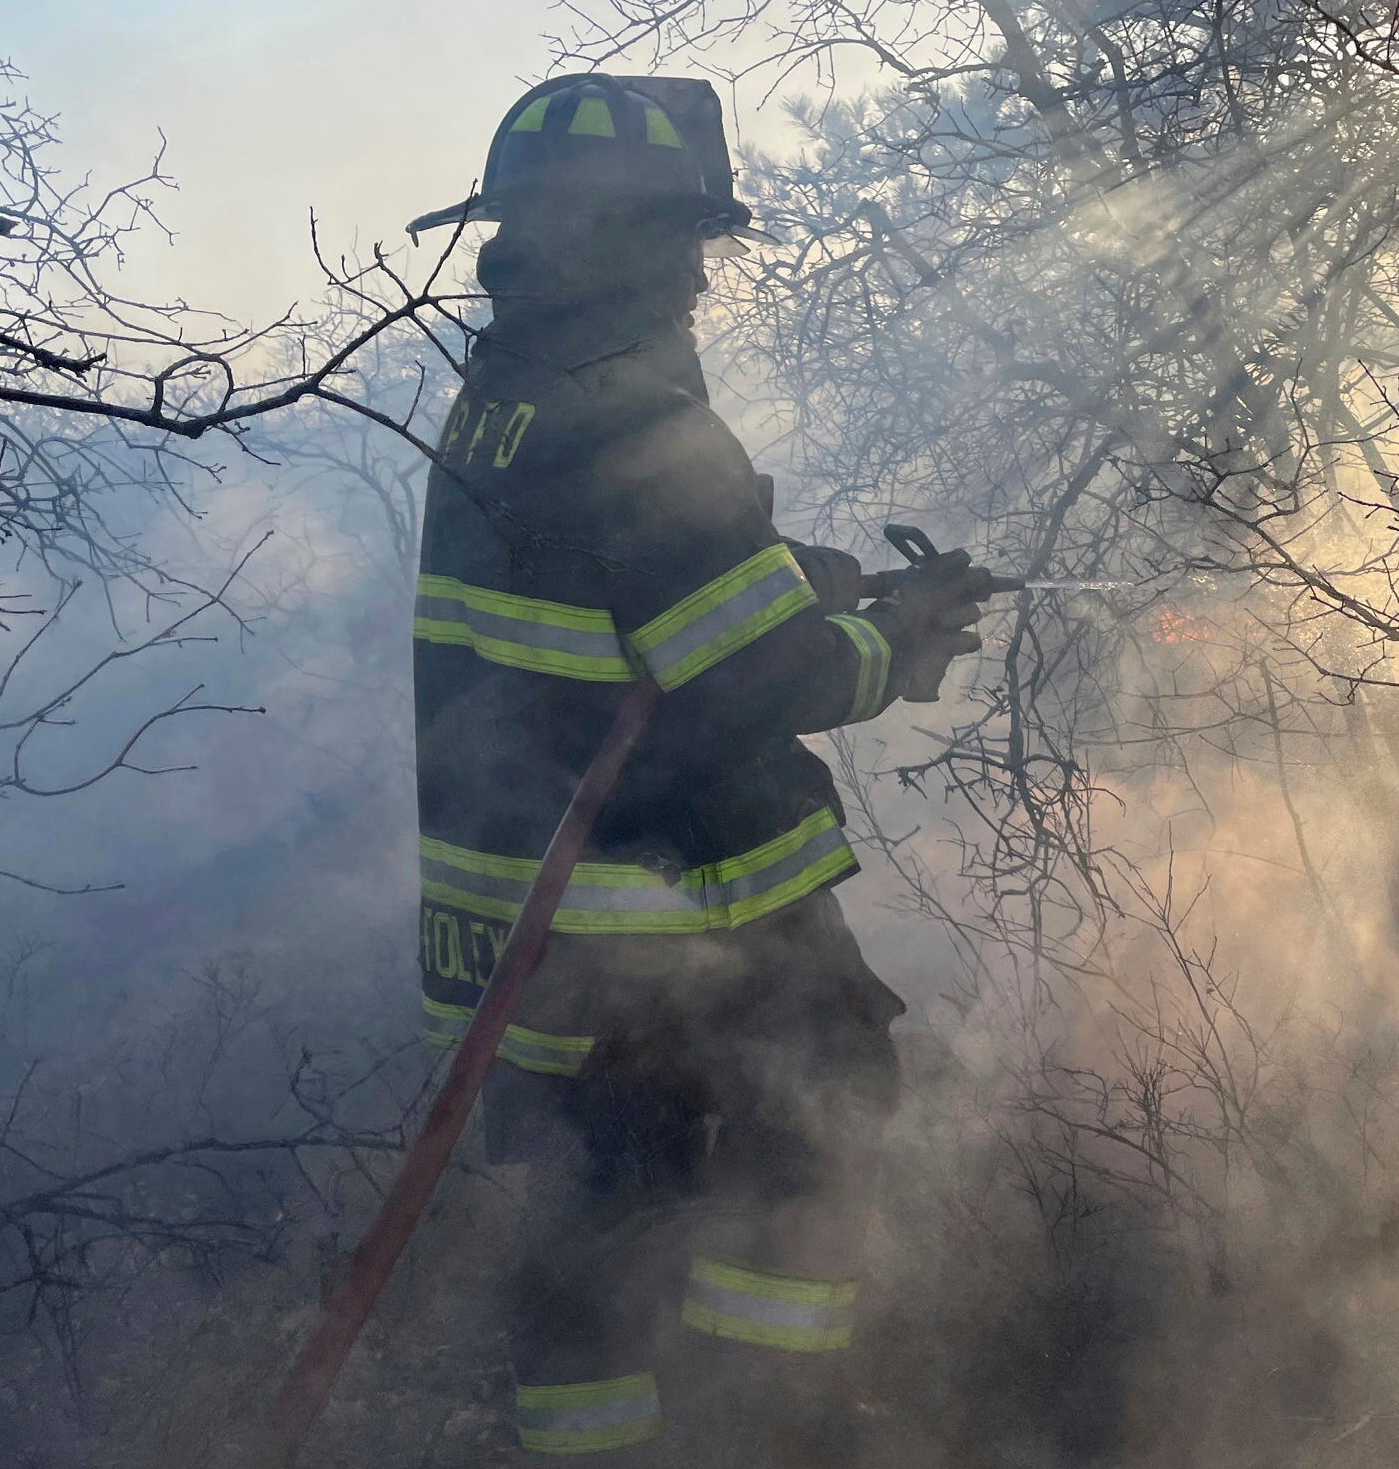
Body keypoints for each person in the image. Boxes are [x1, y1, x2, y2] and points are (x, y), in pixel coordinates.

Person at [405, 73, 990, 1463]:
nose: (697, 282)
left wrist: (789, 573)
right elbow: (751, 681)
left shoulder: (507, 397)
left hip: (520, 922)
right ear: (646, 247)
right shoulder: (631, 419)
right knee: (822, 1115)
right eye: (687, 247)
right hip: (660, 911)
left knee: (595, 1215)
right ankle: (768, 1425)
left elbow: (624, 589)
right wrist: (898, 642)